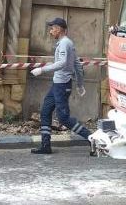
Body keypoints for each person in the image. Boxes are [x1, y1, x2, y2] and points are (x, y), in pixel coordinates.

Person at [30, 17, 90, 155]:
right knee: (45, 111)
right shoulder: (67, 43)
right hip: (57, 85)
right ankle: (45, 146)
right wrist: (80, 84)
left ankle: (91, 138)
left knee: (63, 118)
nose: (50, 32)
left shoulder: (64, 43)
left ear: (58, 29)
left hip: (62, 86)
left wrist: (42, 69)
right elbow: (77, 64)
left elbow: (62, 63)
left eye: (52, 29)